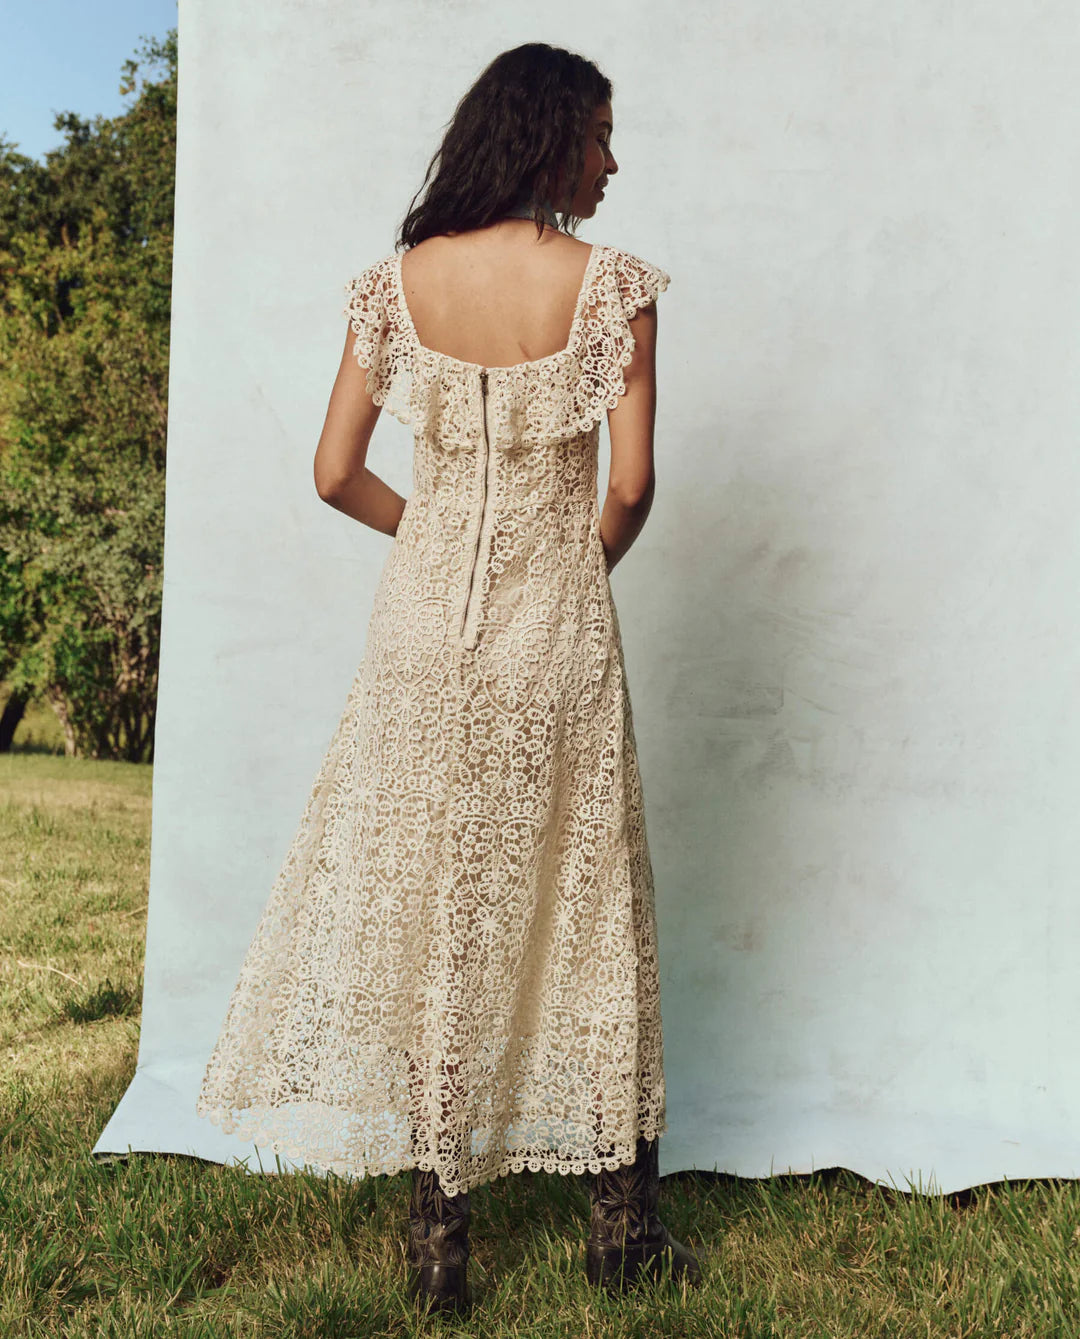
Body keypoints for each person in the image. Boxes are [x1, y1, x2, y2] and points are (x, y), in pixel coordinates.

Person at [195, 41, 702, 1315]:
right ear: (547, 137)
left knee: (437, 905)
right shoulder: (617, 289)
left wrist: (436, 535)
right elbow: (631, 486)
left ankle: (438, 1256)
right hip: (554, 628)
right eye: (598, 132)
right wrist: (571, 564)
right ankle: (619, 1233)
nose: (612, 158)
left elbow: (331, 472)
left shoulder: (390, 286)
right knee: (586, 896)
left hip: (420, 632)